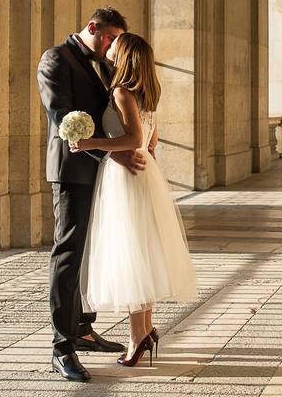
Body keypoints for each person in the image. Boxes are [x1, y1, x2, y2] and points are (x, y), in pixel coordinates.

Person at [71, 33, 198, 369]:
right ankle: (144, 330)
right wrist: (140, 154)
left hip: (125, 180)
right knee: (141, 252)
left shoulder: (121, 91)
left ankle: (136, 337)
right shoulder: (147, 94)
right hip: (144, 175)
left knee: (129, 254)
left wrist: (89, 143)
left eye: (115, 44)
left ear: (124, 54)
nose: (109, 46)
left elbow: (135, 138)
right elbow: (152, 141)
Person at [36, 8, 146, 382]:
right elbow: (62, 117)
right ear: (93, 27)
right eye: (112, 38)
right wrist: (113, 151)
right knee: (67, 253)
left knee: (88, 252)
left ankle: (83, 328)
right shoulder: (55, 58)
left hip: (102, 173)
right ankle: (61, 347)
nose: (115, 47)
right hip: (72, 171)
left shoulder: (103, 64)